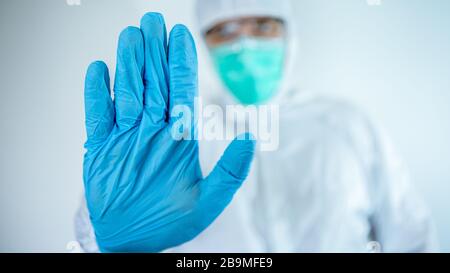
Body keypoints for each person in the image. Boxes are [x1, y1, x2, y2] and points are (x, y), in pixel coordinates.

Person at [75, 0, 438, 253]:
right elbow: (92, 239)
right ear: (204, 42)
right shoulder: (168, 135)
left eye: (262, 26)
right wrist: (113, 246)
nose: (245, 44)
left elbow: (411, 238)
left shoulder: (347, 124)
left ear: (288, 34)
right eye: (225, 30)